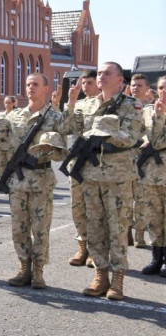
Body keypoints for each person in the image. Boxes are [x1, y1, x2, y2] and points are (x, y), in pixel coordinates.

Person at [61, 62, 144, 300]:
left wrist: (106, 132)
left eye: (107, 73)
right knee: (95, 227)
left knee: (117, 227)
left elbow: (132, 137)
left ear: (120, 80)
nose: (101, 76)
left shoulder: (131, 105)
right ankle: (100, 275)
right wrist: (71, 102)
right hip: (90, 175)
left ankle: (117, 279)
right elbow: (67, 127)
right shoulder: (86, 105)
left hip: (117, 175)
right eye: (99, 73)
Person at [0, 74, 66, 289]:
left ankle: (38, 271)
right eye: (28, 85)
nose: (31, 88)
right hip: (18, 181)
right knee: (19, 228)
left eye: (35, 84)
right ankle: (24, 268)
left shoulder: (55, 117)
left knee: (41, 228)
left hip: (41, 180)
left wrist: (48, 149)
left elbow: (62, 153)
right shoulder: (14, 116)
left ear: (46, 88)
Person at [65, 70, 97, 266]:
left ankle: (94, 249)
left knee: (94, 207)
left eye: (89, 82)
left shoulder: (105, 104)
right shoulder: (77, 104)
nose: (85, 86)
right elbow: (66, 127)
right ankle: (82, 246)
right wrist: (71, 101)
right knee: (77, 206)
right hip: (76, 161)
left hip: (95, 163)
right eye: (83, 83)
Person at [139, 76, 166, 276]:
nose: (164, 90)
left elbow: (156, 141)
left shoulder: (155, 113)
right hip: (151, 174)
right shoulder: (147, 111)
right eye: (162, 87)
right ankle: (156, 258)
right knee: (153, 217)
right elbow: (140, 134)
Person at [128, 73, 152, 248]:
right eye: (133, 85)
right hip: (124, 160)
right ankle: (127, 231)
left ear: (147, 89)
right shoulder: (123, 107)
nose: (135, 88)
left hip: (144, 160)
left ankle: (140, 233)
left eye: (139, 85)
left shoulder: (150, 110)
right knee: (124, 198)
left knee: (142, 199)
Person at [0, 95, 19, 178]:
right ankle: (2, 181)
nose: (7, 105)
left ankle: (12, 182)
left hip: (12, 147)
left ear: (13, 103)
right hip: (0, 146)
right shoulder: (0, 115)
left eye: (9, 103)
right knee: (0, 167)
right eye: (5, 103)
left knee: (12, 167)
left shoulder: (18, 114)